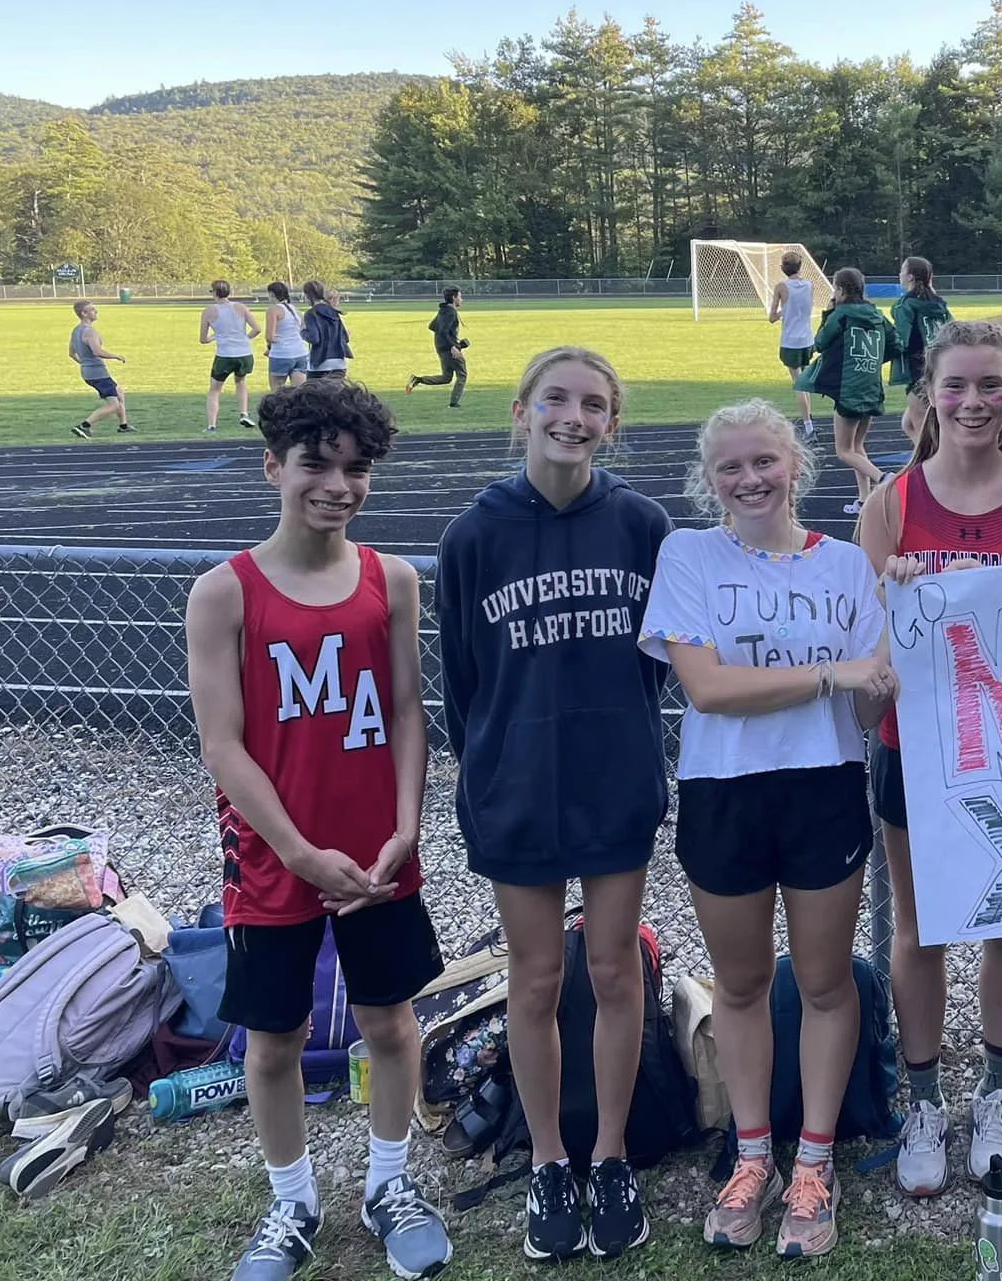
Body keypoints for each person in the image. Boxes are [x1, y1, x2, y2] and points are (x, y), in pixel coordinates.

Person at [183, 380, 450, 1281]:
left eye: (356, 468)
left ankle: (388, 1186)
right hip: (273, 858)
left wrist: (406, 825)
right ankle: (292, 1203)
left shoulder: (392, 579)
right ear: (273, 467)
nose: (338, 485)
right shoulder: (224, 593)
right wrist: (297, 851)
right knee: (274, 1040)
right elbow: (221, 744)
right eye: (316, 465)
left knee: (390, 1023)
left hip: (376, 852)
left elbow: (407, 709)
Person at [637, 399, 899, 1260]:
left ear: (794, 466)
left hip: (824, 786)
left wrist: (880, 678)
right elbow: (709, 689)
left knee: (825, 982)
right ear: (708, 478)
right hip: (725, 790)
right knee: (742, 984)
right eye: (731, 467)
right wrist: (833, 674)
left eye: (764, 462)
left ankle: (813, 1164)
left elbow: (865, 708)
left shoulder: (848, 566)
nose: (749, 479)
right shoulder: (688, 554)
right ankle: (753, 1156)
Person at [436, 346, 672, 1262]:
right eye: (556, 399)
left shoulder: (643, 525)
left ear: (612, 422)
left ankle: (609, 1154)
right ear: (521, 410)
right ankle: (546, 1160)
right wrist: (495, 768)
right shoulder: (474, 535)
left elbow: (662, 662)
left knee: (614, 972)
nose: (574, 417)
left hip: (615, 781)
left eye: (594, 405)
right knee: (534, 981)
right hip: (519, 787)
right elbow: (464, 682)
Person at [857, 319, 1002, 1197]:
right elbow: (871, 661)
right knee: (919, 927)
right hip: (915, 748)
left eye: (990, 385)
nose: (974, 401)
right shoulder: (892, 504)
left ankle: (995, 1094)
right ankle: (924, 1102)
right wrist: (897, 604)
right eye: (956, 385)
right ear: (929, 396)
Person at [809, 267, 896, 517]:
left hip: (849, 388)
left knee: (844, 450)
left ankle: (884, 479)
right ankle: (863, 500)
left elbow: (820, 342)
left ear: (840, 290)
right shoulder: (877, 314)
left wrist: (829, 312)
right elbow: (895, 343)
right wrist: (872, 362)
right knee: (857, 446)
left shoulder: (841, 314)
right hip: (871, 385)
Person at [889, 256, 952, 446]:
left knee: (924, 433)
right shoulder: (939, 304)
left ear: (910, 277)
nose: (899, 274)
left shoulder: (905, 305)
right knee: (908, 424)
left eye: (902, 270)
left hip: (918, 371)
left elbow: (901, 340)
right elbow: (953, 331)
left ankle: (932, 462)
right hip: (942, 368)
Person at [765, 253, 818, 440]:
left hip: (791, 341)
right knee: (804, 382)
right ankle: (810, 422)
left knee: (799, 385)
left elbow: (772, 317)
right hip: (807, 340)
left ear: (783, 267)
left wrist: (782, 312)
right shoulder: (809, 285)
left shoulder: (781, 287)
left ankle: (809, 427)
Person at [68, 300, 137, 438]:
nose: (96, 312)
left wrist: (85, 364)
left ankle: (123, 426)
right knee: (114, 405)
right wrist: (116, 356)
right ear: (84, 313)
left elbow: (71, 353)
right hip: (98, 373)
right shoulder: (89, 331)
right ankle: (84, 426)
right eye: (93, 310)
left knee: (119, 392)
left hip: (89, 372)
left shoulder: (76, 330)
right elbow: (97, 351)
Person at [201, 279, 262, 432]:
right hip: (244, 353)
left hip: (225, 355)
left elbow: (203, 339)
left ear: (215, 293)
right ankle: (244, 413)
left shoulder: (209, 311)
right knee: (240, 382)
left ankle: (212, 425)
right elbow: (257, 329)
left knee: (215, 390)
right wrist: (245, 339)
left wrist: (214, 337)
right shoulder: (240, 307)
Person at [407, 287, 469, 406]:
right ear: (454, 298)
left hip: (441, 348)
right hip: (450, 349)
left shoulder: (443, 310)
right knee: (462, 374)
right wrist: (453, 345)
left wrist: (450, 339)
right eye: (460, 297)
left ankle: (418, 379)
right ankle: (454, 403)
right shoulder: (451, 312)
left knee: (446, 377)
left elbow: (432, 326)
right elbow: (443, 331)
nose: (462, 299)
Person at [301, 281, 353, 380]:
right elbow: (345, 337)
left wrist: (302, 331)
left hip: (320, 363)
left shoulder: (311, 313)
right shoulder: (334, 312)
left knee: (313, 390)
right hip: (339, 362)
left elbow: (314, 338)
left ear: (308, 296)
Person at [263, 283, 309, 389]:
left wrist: (269, 347)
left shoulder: (273, 310)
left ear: (272, 294)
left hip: (281, 354)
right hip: (300, 353)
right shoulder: (295, 310)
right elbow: (302, 329)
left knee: (277, 390)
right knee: (298, 391)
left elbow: (269, 337)